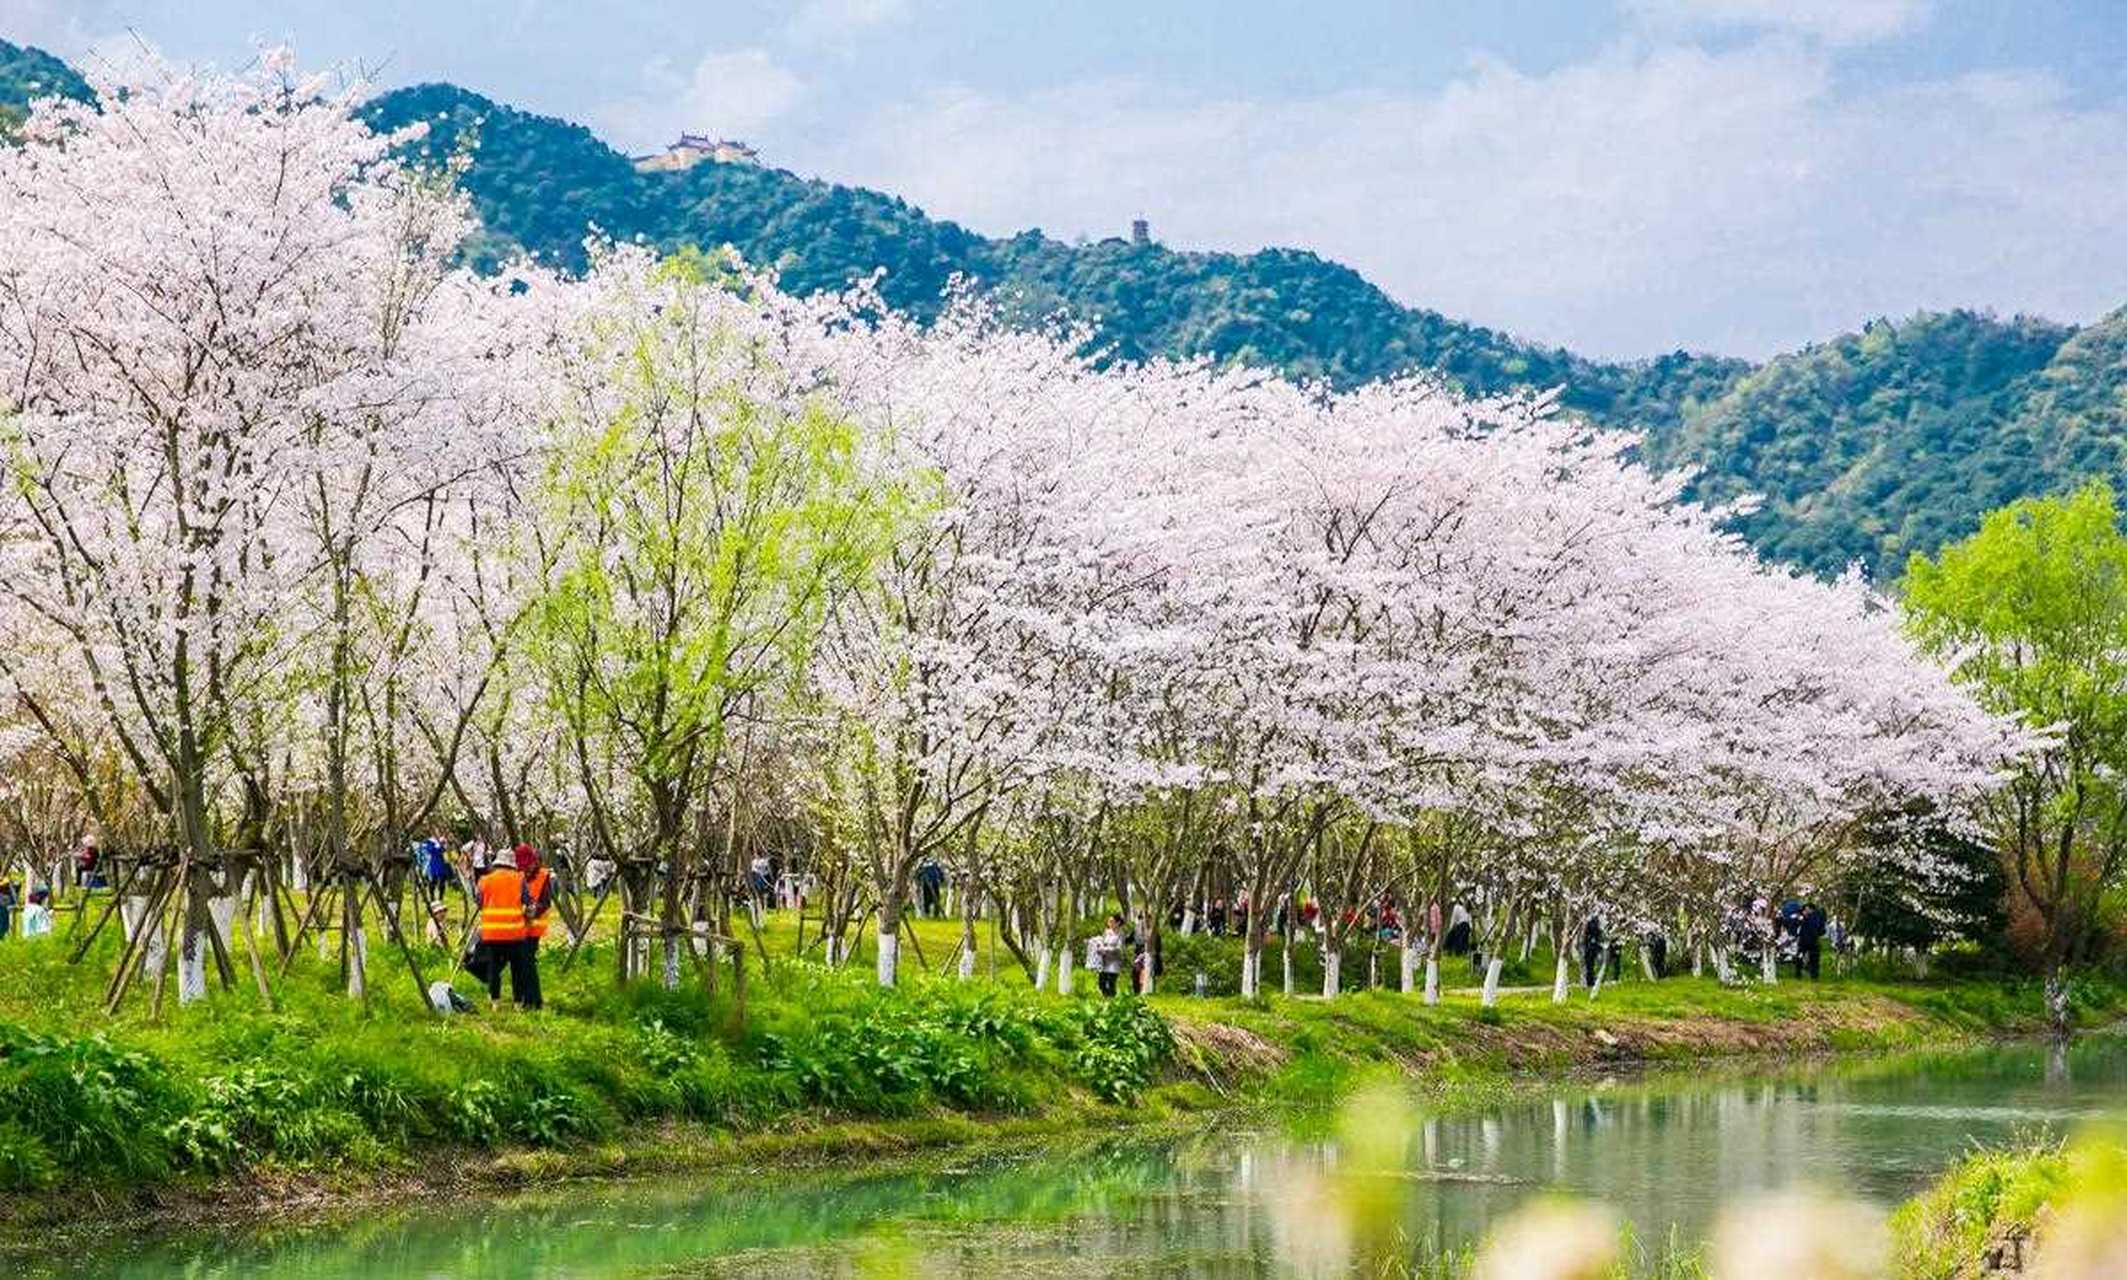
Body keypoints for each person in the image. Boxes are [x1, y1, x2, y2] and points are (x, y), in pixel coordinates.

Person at [476, 844, 536, 1008]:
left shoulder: (485, 880)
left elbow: (479, 903)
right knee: (517, 969)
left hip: (492, 933)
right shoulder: (519, 879)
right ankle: (517, 1002)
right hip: (514, 933)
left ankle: (495, 1001)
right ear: (512, 864)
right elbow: (527, 901)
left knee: (494, 967)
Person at [517, 843, 552, 1010]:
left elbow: (545, 902)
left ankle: (533, 1001)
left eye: (528, 866)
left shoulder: (543, 876)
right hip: (519, 926)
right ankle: (531, 999)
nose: (526, 870)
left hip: (534, 926)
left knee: (527, 961)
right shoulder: (518, 875)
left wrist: (532, 911)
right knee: (524, 962)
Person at [1091, 914, 1126, 997]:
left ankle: (1112, 1000)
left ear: (1118, 923)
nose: (1109, 923)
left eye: (1112, 921)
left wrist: (1106, 949)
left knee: (1111, 982)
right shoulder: (1106, 932)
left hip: (1114, 962)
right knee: (1101, 983)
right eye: (1109, 921)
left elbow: (1119, 948)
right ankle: (1106, 997)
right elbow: (1102, 942)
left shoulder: (1120, 934)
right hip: (1104, 961)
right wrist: (1097, 945)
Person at [1797, 900, 1828, 980]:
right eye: (1805, 910)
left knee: (1813, 958)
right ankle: (1801, 973)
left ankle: (1812, 975)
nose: (1805, 911)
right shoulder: (1804, 917)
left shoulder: (1815, 917)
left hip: (1810, 940)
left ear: (1811, 909)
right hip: (1806, 940)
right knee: (1801, 957)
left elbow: (1820, 929)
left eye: (1807, 909)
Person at [1581, 914, 1606, 989]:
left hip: (1590, 947)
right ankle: (1590, 980)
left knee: (1590, 965)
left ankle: (1591, 980)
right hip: (1591, 947)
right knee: (1590, 965)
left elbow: (1586, 936)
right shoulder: (1594, 925)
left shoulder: (1591, 924)